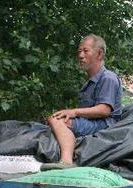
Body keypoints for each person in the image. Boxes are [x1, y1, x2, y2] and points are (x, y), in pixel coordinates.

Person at [43, 34, 122, 169]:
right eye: (79, 51)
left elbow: (104, 110)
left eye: (86, 51)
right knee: (54, 119)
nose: (80, 55)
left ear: (99, 54)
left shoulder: (108, 78)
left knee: (59, 121)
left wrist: (73, 112)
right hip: (91, 122)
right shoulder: (89, 83)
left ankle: (66, 162)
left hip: (104, 124)